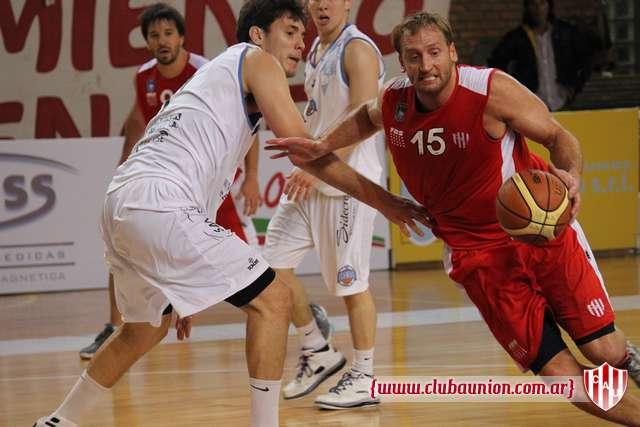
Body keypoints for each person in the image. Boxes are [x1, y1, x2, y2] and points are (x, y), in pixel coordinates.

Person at [34, 1, 429, 426]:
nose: (300, 42)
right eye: (291, 31)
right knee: (274, 299)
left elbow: (188, 176)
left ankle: (58, 421)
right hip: (158, 203)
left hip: (122, 202)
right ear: (258, 36)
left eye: (302, 34)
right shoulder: (256, 60)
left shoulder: (213, 82)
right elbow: (305, 151)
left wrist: (181, 289)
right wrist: (385, 200)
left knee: (145, 329)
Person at [266, 11, 640, 425]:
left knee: (604, 351)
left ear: (452, 53)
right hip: (479, 259)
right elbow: (366, 117)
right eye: (413, 57)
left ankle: (627, 359)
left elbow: (558, 137)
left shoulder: (491, 90)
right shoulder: (395, 101)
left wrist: (571, 175)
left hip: (543, 233)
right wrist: (327, 149)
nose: (425, 65)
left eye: (433, 53)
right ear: (402, 63)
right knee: (562, 379)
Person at [79, 2, 261, 359]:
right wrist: (124, 167)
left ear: (182, 38)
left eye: (168, 33)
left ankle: (290, 313)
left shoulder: (205, 70)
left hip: (209, 177)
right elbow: (138, 123)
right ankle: (114, 326)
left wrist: (252, 175)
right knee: (121, 251)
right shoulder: (144, 77)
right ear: (146, 42)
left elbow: (249, 117)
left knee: (247, 258)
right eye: (153, 35)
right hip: (167, 181)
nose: (161, 40)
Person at [263, 0, 383, 409]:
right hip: (313, 178)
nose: (321, 4)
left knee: (352, 285)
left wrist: (315, 170)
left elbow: (363, 122)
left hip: (347, 184)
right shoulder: (315, 50)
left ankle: (365, 377)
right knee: (271, 269)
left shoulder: (358, 50)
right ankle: (318, 350)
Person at [487, 0, 592, 111]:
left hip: (562, 102)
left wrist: (574, 86)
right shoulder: (517, 37)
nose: (538, 9)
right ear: (527, 7)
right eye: (533, 4)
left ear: (549, 6)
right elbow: (496, 63)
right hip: (531, 105)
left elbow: (586, 60)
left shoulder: (565, 33)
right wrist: (513, 91)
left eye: (542, 3)